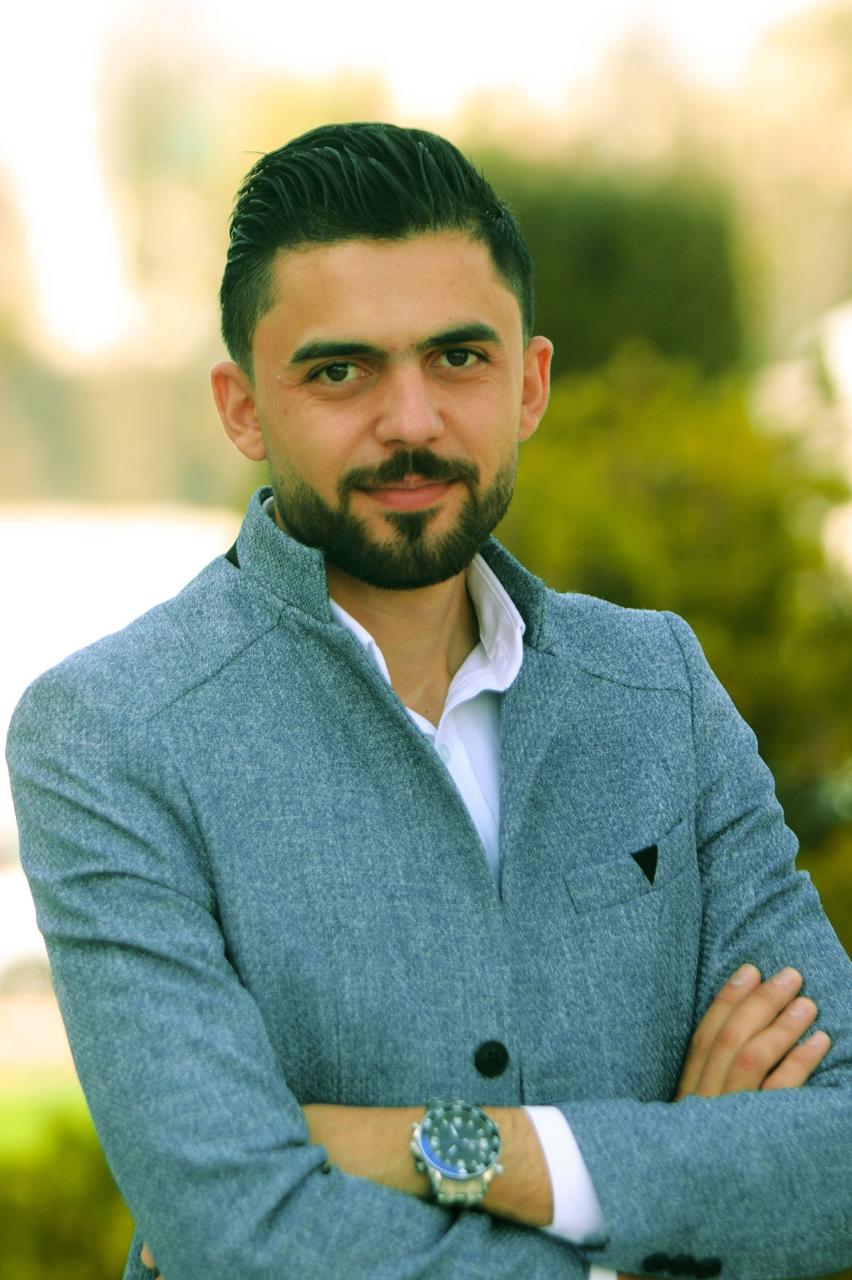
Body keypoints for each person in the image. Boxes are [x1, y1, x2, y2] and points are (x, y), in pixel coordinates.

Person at [6, 123, 850, 1280]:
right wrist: (660, 1209)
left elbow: (839, 1149)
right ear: (242, 408)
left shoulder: (658, 686)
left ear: (530, 383)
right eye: (340, 370)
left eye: (458, 357)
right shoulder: (110, 735)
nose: (411, 420)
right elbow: (241, 1226)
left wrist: (466, 1150)